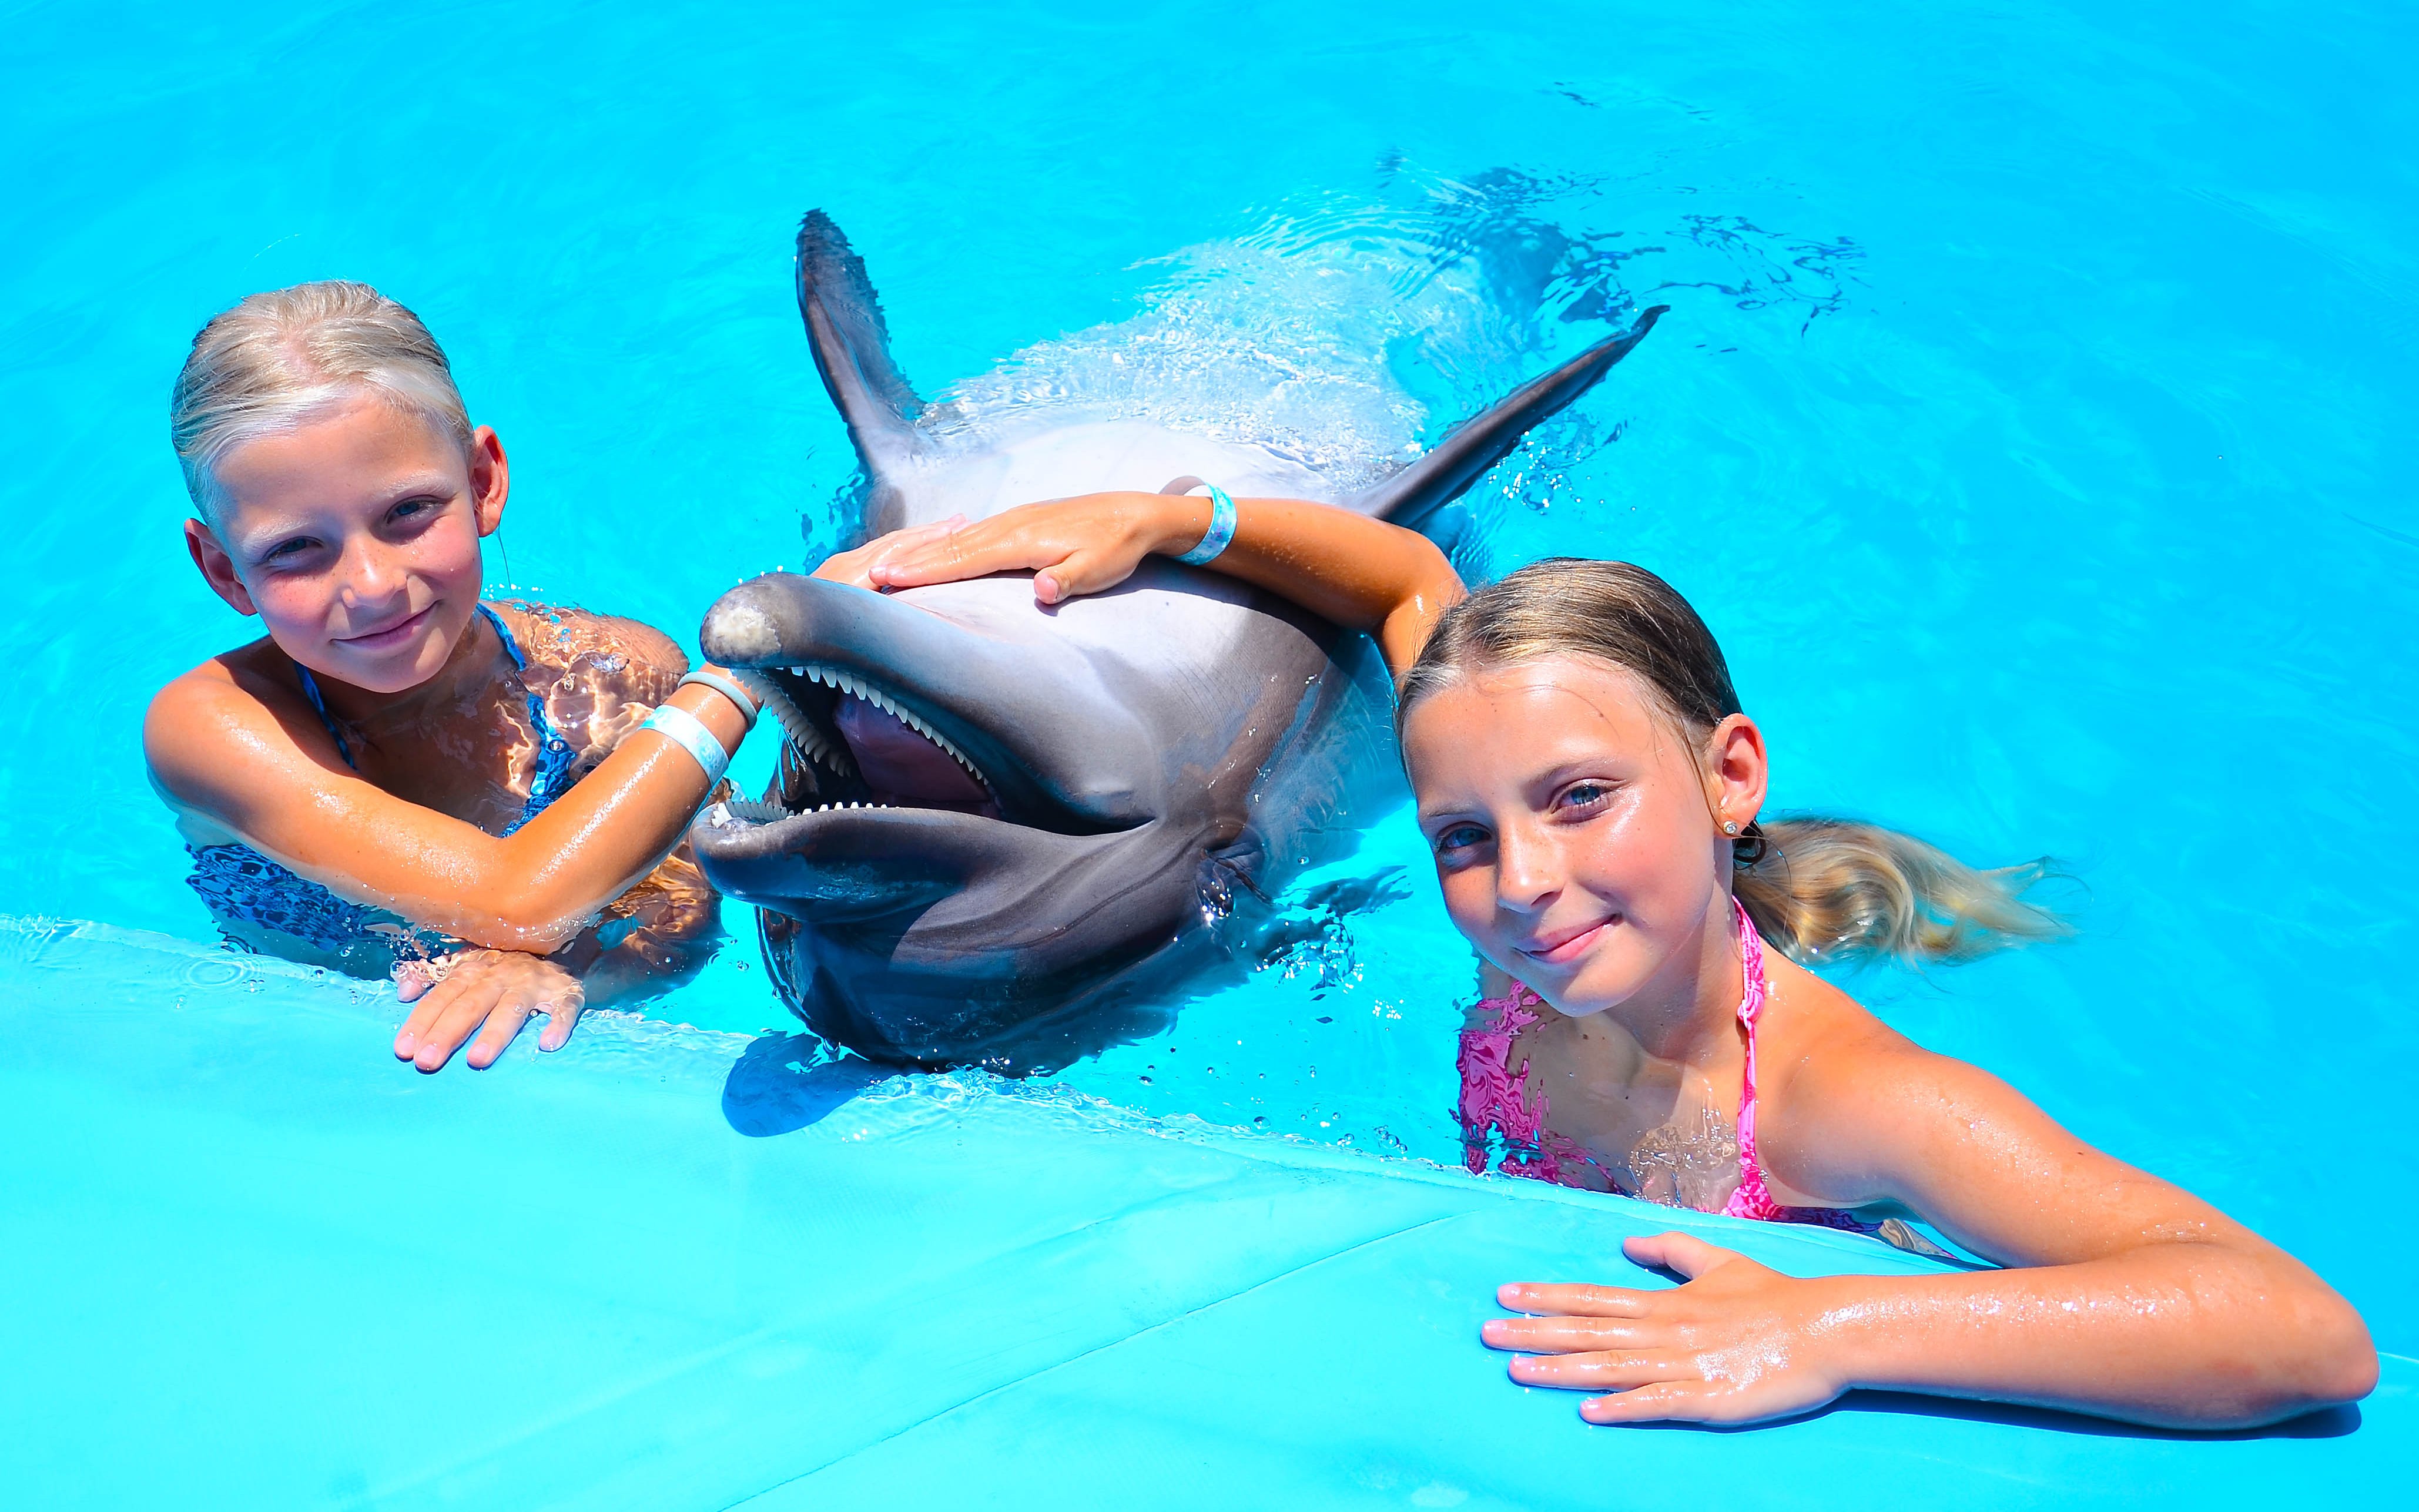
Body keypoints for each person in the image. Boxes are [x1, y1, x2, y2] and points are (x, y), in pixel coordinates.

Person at [865, 488, 2377, 1429]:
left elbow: (2300, 1329)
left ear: (1731, 776)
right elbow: (1402, 577)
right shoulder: (1541, 942)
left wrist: (1829, 1322)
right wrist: (1169, 519)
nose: (1524, 882)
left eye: (1583, 798)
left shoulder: (1837, 1103)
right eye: (1463, 837)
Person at [145, 281, 944, 1072]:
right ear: (224, 570)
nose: (374, 585)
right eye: (295, 549)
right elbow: (516, 900)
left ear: (483, 483)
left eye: (407, 512)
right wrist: (744, 669)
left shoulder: (604, 675)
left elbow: (683, 913)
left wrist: (570, 979)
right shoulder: (211, 725)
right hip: (285, 1061)